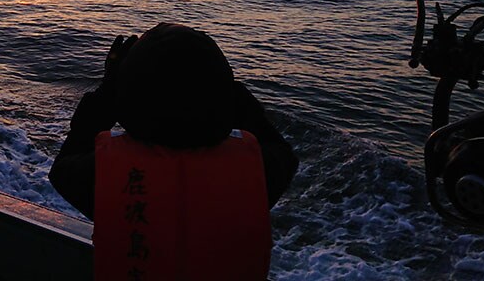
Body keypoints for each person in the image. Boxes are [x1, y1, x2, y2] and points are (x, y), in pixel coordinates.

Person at [49, 22, 298, 280]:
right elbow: (281, 150)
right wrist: (227, 87)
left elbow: (63, 166)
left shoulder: (102, 176)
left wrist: (109, 89)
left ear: (126, 98)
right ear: (225, 98)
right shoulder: (259, 173)